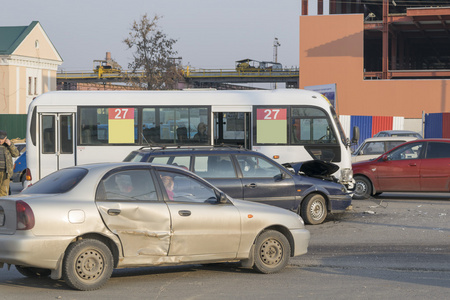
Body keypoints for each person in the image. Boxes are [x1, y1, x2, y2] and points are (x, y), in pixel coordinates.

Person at [0, 130, 20, 196]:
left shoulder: (8, 145)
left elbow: (16, 154)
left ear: (5, 138)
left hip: (5, 172)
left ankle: (2, 205)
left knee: (4, 192)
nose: (0, 140)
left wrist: (10, 145)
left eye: (2, 139)